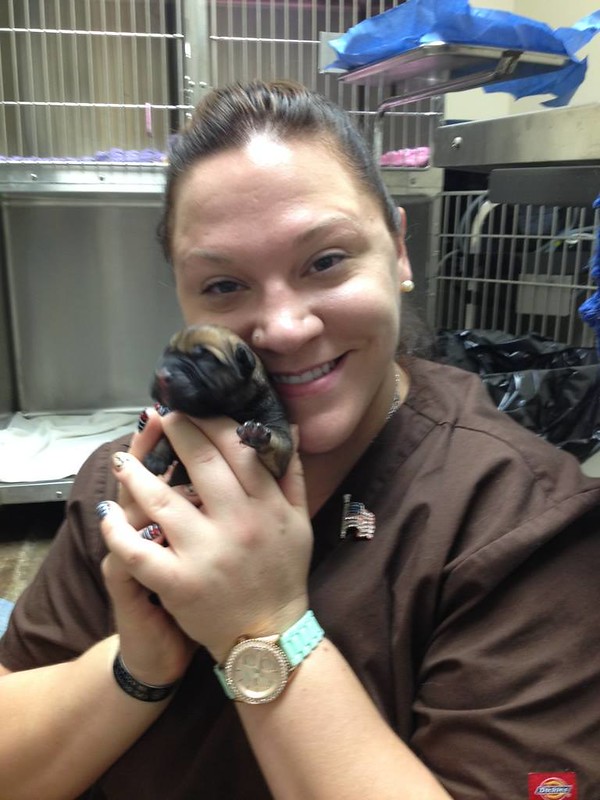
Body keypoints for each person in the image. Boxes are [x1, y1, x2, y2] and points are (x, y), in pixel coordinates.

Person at [1, 79, 600, 800]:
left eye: (325, 261)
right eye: (224, 285)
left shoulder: (518, 522)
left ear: (400, 252)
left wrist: (261, 628)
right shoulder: (132, 484)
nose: (283, 329)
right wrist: (136, 667)